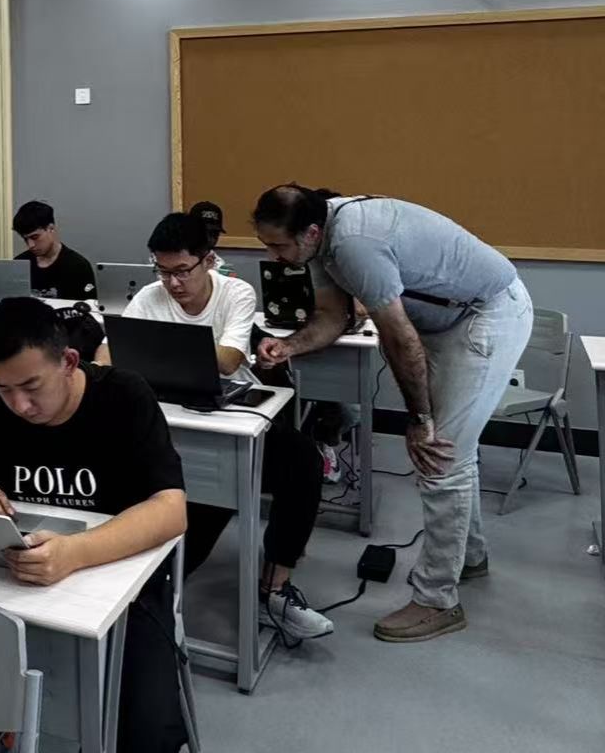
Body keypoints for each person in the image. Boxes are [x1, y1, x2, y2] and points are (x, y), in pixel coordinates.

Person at [252, 185, 533, 643]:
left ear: (311, 232)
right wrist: (289, 346)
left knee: (439, 456)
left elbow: (399, 339)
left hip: (487, 314)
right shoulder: (322, 240)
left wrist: (419, 421)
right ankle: (469, 556)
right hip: (447, 319)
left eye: (279, 246)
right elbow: (333, 316)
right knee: (454, 452)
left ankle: (438, 599)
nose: (274, 257)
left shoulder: (354, 244)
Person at [0, 298, 188, 753]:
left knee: (146, 734)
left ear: (69, 362)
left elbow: (171, 509)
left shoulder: (124, 396)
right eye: (4, 388)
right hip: (9, 586)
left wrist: (76, 552)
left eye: (31, 386)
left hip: (121, 590)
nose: (19, 405)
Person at [108, 213, 330, 641]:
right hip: (171, 421)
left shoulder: (235, 292)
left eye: (182, 271)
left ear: (208, 260)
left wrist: (152, 352)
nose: (172, 283)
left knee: (300, 461)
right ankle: (150, 592)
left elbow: (229, 360)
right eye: (162, 271)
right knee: (195, 495)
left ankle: (274, 589)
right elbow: (106, 354)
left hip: (233, 419)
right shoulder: (151, 296)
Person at [11, 199, 98, 300]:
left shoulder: (78, 266)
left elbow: (88, 306)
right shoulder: (19, 264)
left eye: (35, 237)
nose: (30, 245)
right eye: (25, 239)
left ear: (51, 228)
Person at [186, 200, 240, 277]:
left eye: (214, 234)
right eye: (203, 233)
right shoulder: (173, 259)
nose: (209, 239)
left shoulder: (220, 267)